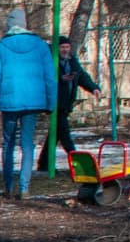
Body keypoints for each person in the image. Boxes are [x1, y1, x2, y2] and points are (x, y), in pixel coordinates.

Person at [0, 7, 57, 199]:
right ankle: (24, 187)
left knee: (8, 143)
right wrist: (51, 102)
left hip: (9, 102)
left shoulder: (1, 47)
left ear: (9, 25)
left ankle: (8, 186)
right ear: (25, 25)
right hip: (33, 102)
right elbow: (50, 77)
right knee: (27, 143)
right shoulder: (40, 46)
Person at [38, 35, 100, 170]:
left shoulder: (72, 61)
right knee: (65, 135)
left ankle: (43, 165)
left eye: (67, 47)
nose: (65, 50)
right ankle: (80, 165)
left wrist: (94, 88)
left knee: (55, 135)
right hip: (55, 103)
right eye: (62, 47)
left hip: (65, 104)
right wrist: (60, 78)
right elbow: (44, 79)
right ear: (57, 48)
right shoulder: (51, 61)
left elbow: (82, 76)